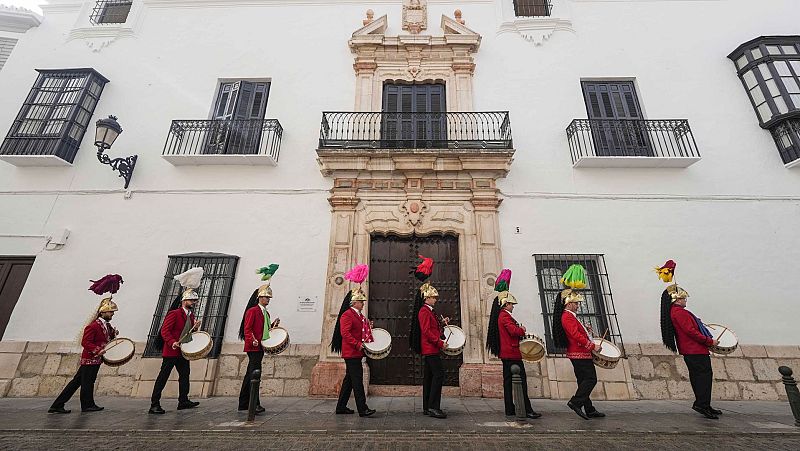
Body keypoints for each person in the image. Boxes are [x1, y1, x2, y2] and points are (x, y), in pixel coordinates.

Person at [657, 260, 721, 419]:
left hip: (693, 350)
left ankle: (705, 404)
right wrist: (709, 341)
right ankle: (702, 404)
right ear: (677, 299)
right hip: (695, 350)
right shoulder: (679, 313)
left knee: (702, 378)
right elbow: (691, 332)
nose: (686, 300)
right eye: (684, 298)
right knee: (703, 379)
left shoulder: (677, 312)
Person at [49, 274, 123, 414]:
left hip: (95, 359)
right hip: (90, 359)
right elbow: (86, 341)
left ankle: (59, 404)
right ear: (104, 312)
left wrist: (114, 333)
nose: (112, 314)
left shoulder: (106, 325)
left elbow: (106, 338)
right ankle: (86, 405)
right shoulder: (93, 326)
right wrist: (97, 350)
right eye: (111, 312)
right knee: (87, 383)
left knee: (78, 382)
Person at [551, 264, 605, 420]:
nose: (578, 305)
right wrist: (591, 345)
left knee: (583, 381)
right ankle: (576, 402)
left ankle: (589, 408)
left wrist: (587, 329)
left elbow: (578, 332)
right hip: (579, 353)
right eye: (576, 303)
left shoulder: (570, 316)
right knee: (590, 379)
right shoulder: (567, 317)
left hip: (579, 353)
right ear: (569, 304)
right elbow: (575, 335)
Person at [485, 269, 541, 419]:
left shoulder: (502, 315)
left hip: (508, 354)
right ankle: (526, 409)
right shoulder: (505, 316)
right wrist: (521, 330)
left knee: (509, 382)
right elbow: (513, 332)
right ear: (505, 304)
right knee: (520, 382)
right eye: (511, 304)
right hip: (512, 354)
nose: (513, 306)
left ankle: (510, 408)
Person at [149, 267, 203, 414]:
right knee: (163, 377)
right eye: (192, 300)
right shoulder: (174, 313)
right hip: (171, 351)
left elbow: (189, 333)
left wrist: (196, 327)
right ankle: (154, 403)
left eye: (194, 300)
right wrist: (172, 341)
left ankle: (183, 400)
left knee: (185, 375)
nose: (194, 302)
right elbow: (164, 331)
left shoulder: (190, 316)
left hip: (183, 351)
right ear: (185, 300)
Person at [331, 264, 376, 417]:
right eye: (361, 301)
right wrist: (358, 344)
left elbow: (361, 331)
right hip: (351, 353)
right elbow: (345, 333)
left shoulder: (359, 315)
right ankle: (362, 409)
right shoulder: (347, 315)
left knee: (349, 380)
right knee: (357, 381)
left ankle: (341, 406)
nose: (363, 303)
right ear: (354, 302)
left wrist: (368, 327)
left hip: (356, 352)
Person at [238, 264, 280, 413]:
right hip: (253, 347)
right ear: (259, 297)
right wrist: (252, 339)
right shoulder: (252, 311)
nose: (267, 299)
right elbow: (247, 328)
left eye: (269, 297)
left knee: (251, 374)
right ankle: (253, 403)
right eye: (265, 297)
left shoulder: (266, 314)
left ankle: (243, 402)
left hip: (260, 346)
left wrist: (273, 325)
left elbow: (265, 330)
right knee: (255, 374)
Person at [410, 255, 447, 419]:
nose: (435, 299)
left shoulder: (428, 311)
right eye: (433, 297)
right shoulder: (424, 311)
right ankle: (433, 407)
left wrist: (442, 322)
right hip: (431, 349)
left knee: (430, 377)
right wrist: (439, 342)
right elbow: (426, 331)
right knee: (438, 376)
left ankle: (427, 406)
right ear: (427, 298)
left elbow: (432, 326)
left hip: (431, 348)